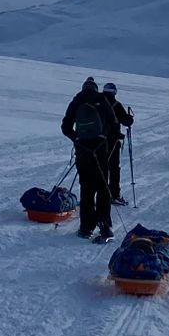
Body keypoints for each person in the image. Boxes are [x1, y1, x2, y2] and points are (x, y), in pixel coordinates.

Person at [61, 77, 122, 243]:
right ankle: (104, 226)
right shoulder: (102, 99)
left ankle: (86, 227)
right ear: (95, 89)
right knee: (103, 187)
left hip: (83, 152)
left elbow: (65, 127)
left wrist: (77, 139)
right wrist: (106, 138)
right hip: (100, 150)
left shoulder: (77, 100)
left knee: (86, 188)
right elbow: (114, 124)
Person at [103, 82, 134, 206]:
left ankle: (94, 195)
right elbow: (126, 121)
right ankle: (114, 195)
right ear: (114, 92)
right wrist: (130, 118)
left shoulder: (96, 103)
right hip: (112, 142)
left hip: (95, 142)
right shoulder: (116, 105)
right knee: (114, 168)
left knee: (99, 168)